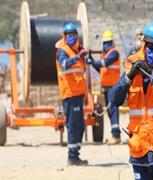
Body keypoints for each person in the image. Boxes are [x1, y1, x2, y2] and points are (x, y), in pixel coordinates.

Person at [108, 22, 153, 180]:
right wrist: (128, 78)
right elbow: (114, 99)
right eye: (151, 47)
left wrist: (150, 73)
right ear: (144, 45)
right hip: (139, 148)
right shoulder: (132, 70)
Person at [55, 23, 88, 166]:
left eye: (74, 35)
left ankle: (76, 153)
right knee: (73, 125)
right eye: (69, 36)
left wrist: (82, 56)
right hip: (69, 94)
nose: (72, 38)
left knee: (80, 125)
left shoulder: (76, 51)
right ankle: (72, 156)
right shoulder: (62, 51)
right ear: (64, 36)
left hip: (78, 94)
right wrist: (77, 57)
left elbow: (81, 72)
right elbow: (64, 64)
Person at [86, 30, 121, 145]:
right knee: (110, 111)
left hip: (113, 86)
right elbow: (100, 69)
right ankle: (114, 135)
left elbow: (103, 63)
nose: (107, 45)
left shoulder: (114, 53)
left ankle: (116, 135)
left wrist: (92, 61)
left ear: (112, 43)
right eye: (105, 43)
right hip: (106, 87)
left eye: (109, 43)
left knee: (113, 110)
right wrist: (91, 60)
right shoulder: (105, 54)